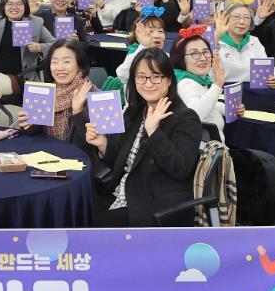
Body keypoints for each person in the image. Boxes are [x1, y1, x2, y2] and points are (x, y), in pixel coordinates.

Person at [83, 48, 202, 227]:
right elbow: (122, 162)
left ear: (169, 80)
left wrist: (153, 132)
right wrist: (103, 144)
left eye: (156, 76)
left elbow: (180, 169)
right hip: (124, 192)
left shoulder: (186, 118)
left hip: (154, 204)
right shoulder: (137, 111)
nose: (148, 83)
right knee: (76, 213)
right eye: (141, 77)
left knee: (91, 225)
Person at [171, 27, 244, 142]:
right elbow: (194, 115)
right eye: (194, 53)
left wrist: (229, 109)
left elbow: (206, 103)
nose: (203, 58)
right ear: (180, 58)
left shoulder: (197, 80)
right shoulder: (186, 83)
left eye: (205, 52)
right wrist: (217, 85)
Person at [18, 39, 94, 142]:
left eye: (67, 62)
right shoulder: (47, 93)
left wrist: (78, 112)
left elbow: (96, 144)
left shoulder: (92, 94)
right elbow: (34, 136)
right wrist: (30, 125)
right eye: (54, 62)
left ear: (80, 66)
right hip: (47, 150)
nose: (59, 68)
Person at [216, 3, 275, 84]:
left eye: (246, 18)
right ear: (226, 19)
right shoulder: (216, 41)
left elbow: (267, 67)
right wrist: (216, 36)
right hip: (222, 89)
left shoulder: (254, 41)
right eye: (236, 17)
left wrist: (274, 78)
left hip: (251, 88)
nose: (242, 22)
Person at [117, 15, 167, 85]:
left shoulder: (166, 56)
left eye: (160, 31)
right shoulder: (135, 54)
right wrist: (144, 45)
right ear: (138, 36)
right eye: (151, 31)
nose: (157, 35)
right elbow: (123, 75)